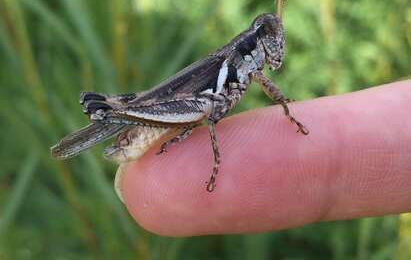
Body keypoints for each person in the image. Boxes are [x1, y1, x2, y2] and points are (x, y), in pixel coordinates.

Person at [115, 80, 411, 236]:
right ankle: (111, 112)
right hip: (160, 115)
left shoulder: (249, 75)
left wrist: (288, 108)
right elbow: (211, 112)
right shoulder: (234, 66)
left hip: (188, 110)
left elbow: (212, 109)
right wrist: (216, 164)